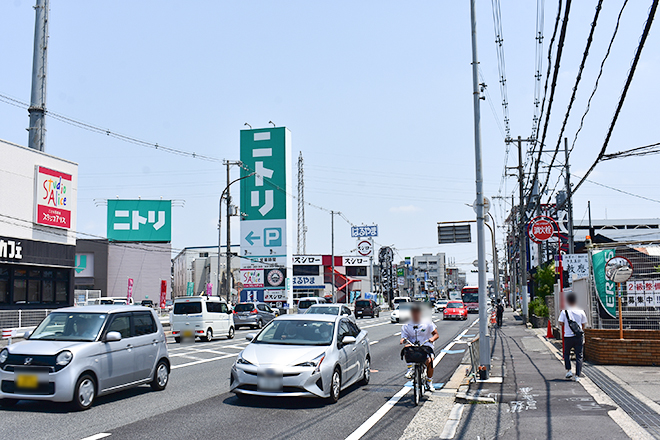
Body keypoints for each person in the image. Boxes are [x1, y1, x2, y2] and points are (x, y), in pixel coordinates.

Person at [400, 303, 439, 391]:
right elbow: (404, 336)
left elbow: (436, 334)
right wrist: (403, 340)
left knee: (429, 361)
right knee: (406, 349)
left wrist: (432, 339)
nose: (415, 315)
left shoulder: (427, 323)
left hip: (426, 345)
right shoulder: (407, 325)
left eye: (417, 313)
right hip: (414, 345)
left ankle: (429, 382)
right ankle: (410, 370)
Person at [558, 292, 588, 382]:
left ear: (568, 301)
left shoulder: (564, 311)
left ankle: (569, 370)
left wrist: (567, 324)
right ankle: (577, 375)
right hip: (578, 336)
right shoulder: (581, 311)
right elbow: (584, 324)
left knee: (566, 354)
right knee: (579, 355)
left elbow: (560, 322)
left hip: (568, 336)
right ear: (575, 301)